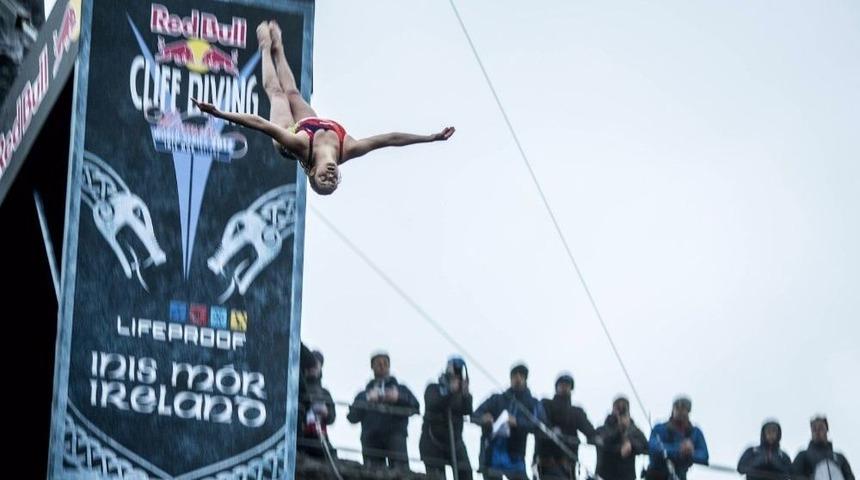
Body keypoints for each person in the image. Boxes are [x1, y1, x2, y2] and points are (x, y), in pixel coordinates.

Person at [194, 21, 455, 195]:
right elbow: (389, 139)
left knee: (277, 94)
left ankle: (265, 47)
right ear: (339, 174)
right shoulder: (348, 148)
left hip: (291, 137)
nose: (329, 177)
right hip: (315, 126)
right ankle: (279, 47)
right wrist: (430, 137)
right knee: (294, 92)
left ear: (313, 175)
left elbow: (261, 124)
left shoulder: (301, 147)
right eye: (333, 181)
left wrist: (218, 112)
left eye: (323, 180)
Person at [346, 351, 420, 470]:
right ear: (372, 367)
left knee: (401, 473)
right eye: (378, 363)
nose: (382, 366)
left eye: (385, 363)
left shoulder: (401, 389)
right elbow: (352, 417)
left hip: (396, 437)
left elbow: (416, 407)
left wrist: (398, 398)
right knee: (372, 474)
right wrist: (368, 399)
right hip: (371, 439)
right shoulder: (364, 394)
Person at [419, 356, 473, 480]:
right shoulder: (433, 388)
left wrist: (465, 394)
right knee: (437, 477)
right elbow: (433, 404)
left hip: (455, 441)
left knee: (466, 473)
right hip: (432, 442)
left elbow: (468, 410)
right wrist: (450, 392)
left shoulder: (460, 394)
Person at [646, 396, 709, 480]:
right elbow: (653, 447)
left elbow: (704, 455)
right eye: (677, 408)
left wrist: (690, 453)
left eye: (683, 408)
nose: (679, 412)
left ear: (688, 411)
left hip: (680, 476)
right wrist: (679, 450)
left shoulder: (695, 432)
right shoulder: (660, 428)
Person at [595, 396, 648, 480]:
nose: (620, 410)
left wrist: (631, 444)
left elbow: (646, 447)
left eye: (624, 407)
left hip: (627, 476)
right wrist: (619, 431)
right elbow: (603, 443)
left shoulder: (634, 430)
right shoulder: (602, 429)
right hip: (605, 475)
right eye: (618, 407)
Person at [793, 416, 854, 480]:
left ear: (826, 430)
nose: (817, 431)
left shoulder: (840, 457)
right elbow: (794, 476)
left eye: (820, 428)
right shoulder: (803, 455)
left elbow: (850, 477)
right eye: (814, 429)